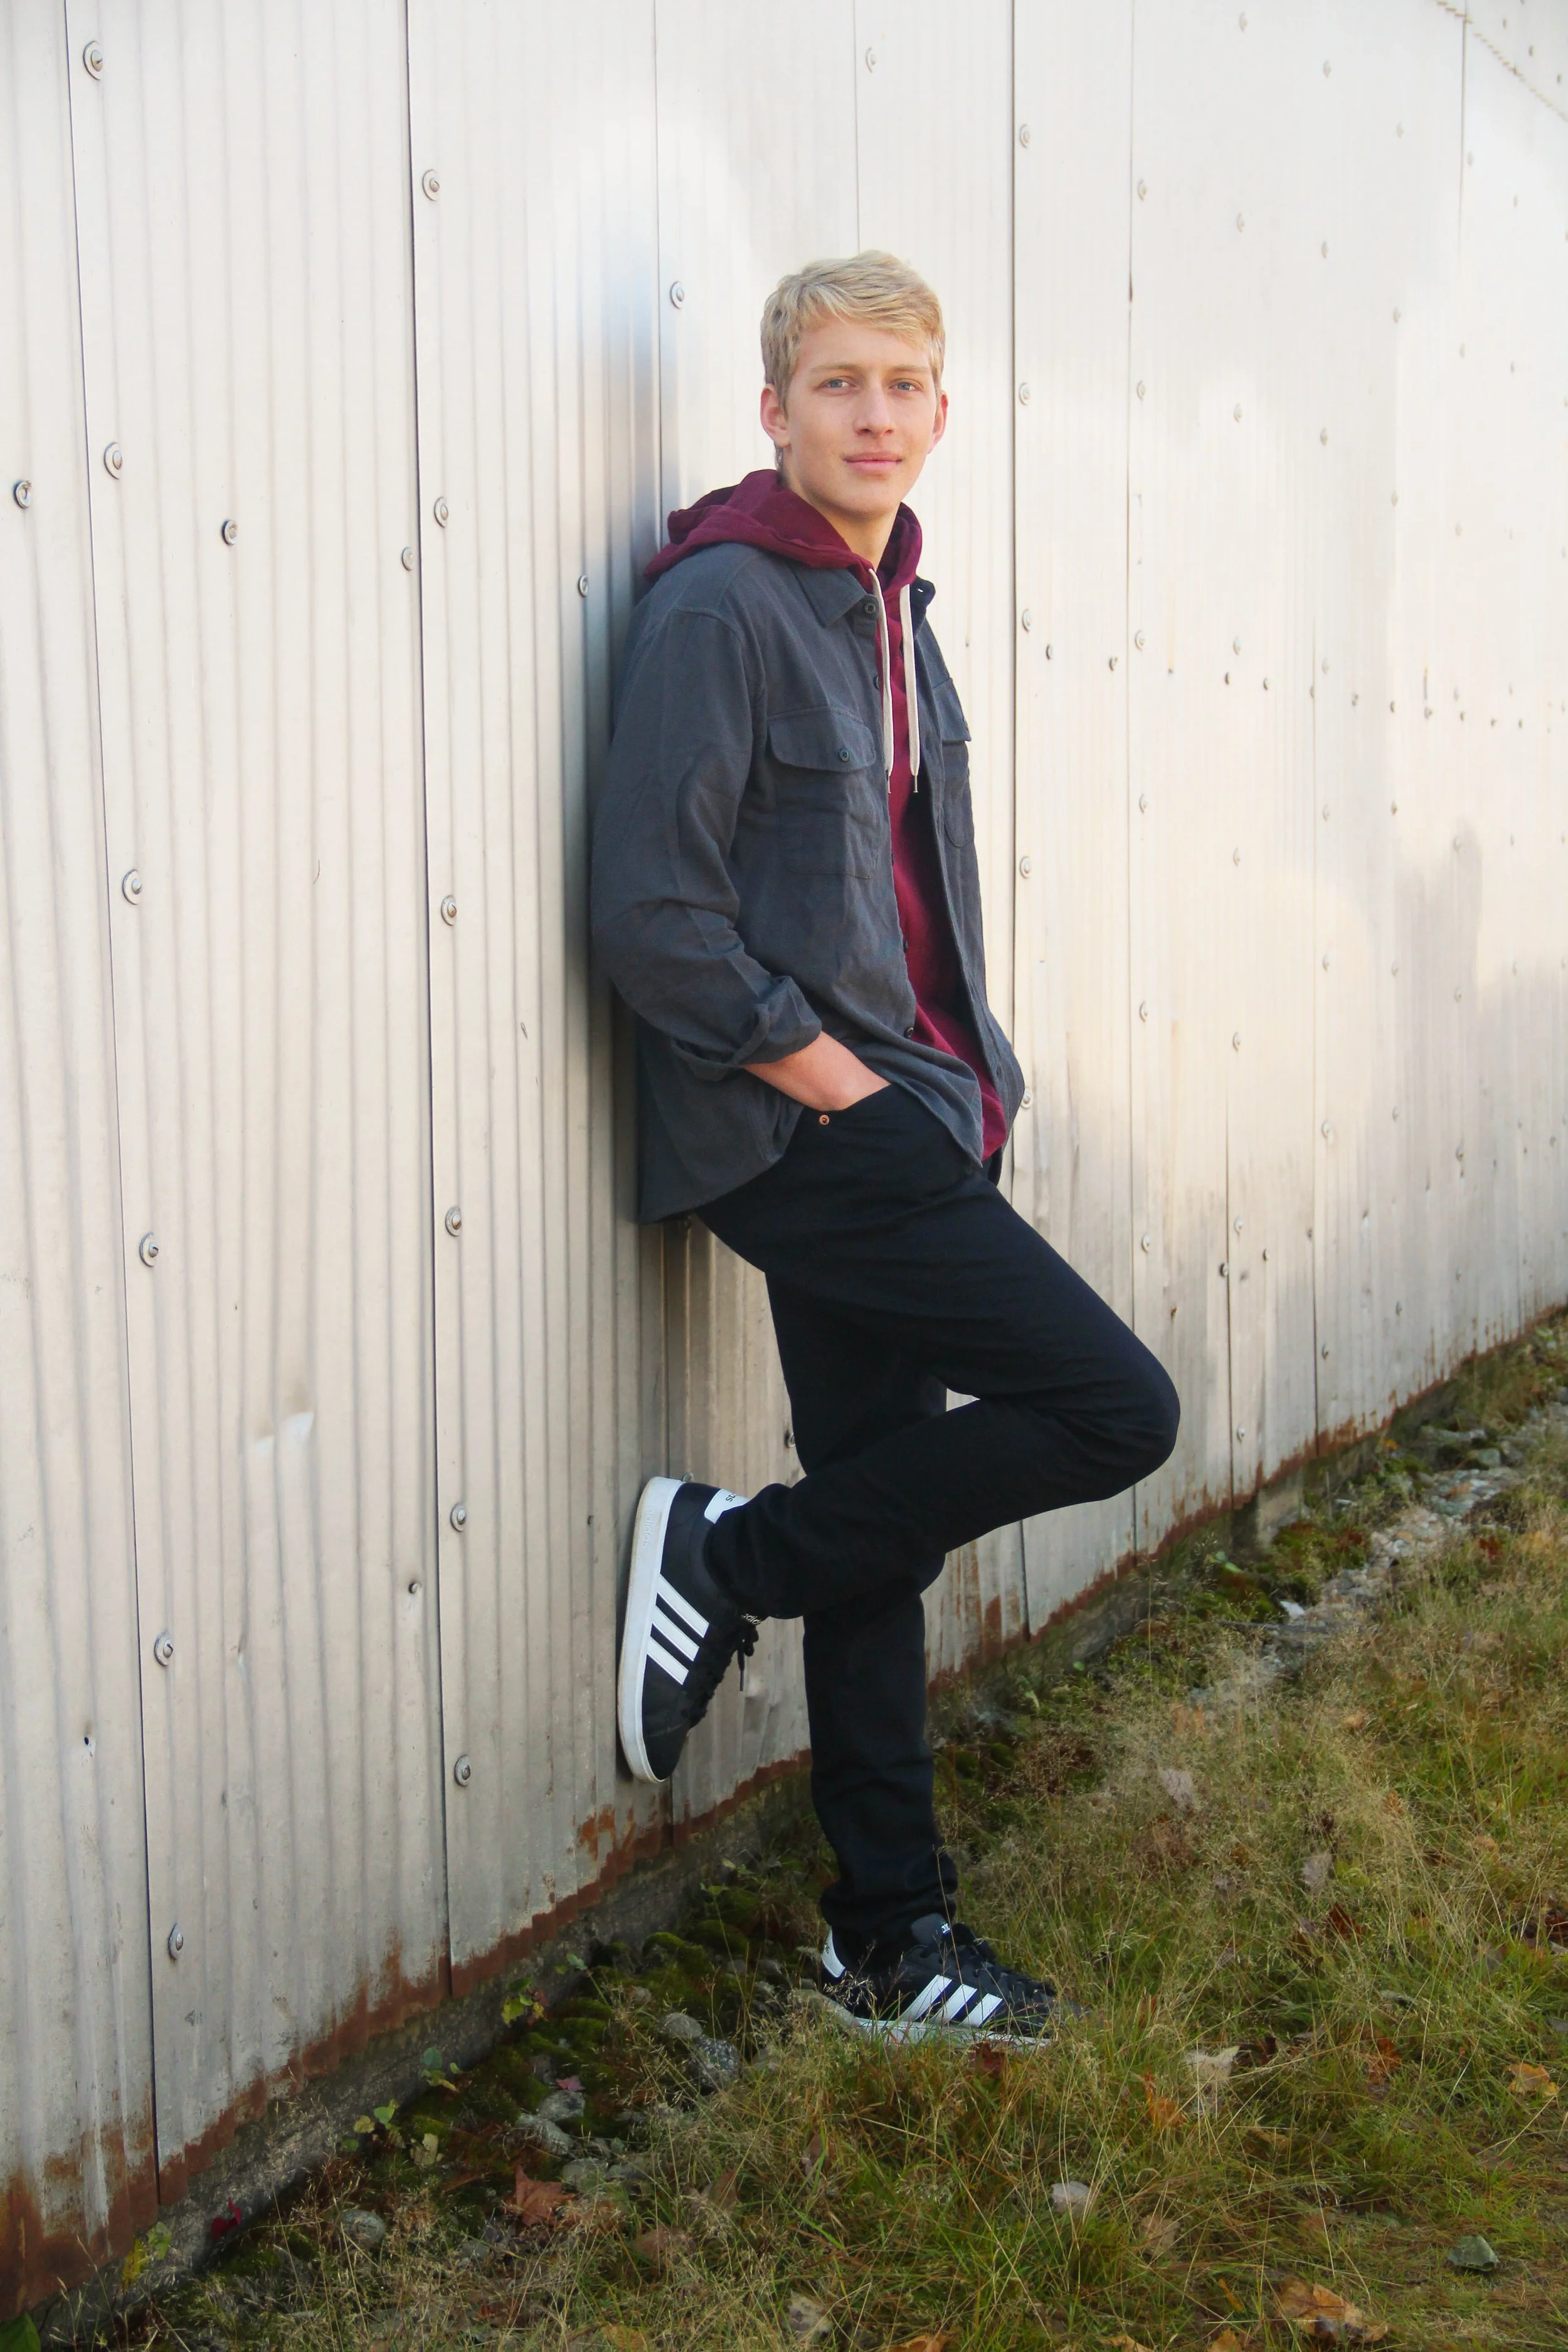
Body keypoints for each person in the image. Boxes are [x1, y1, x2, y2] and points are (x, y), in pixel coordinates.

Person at [591, 252, 1179, 2040]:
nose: (871, 415)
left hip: (918, 1112)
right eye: (835, 384)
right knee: (1112, 1410)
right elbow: (651, 910)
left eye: (901, 386)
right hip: (812, 1129)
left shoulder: (889, 609)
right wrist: (847, 1090)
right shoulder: (723, 607)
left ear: (939, 410)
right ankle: (725, 1557)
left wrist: (960, 1087)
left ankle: (885, 1931)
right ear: (773, 409)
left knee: (885, 1517)